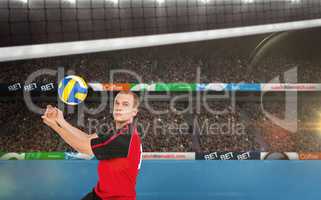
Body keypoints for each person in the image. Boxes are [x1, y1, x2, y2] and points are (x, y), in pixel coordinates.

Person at [42, 91, 142, 200]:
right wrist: (60, 121)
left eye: (125, 104)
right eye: (117, 103)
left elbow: (85, 147)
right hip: (100, 194)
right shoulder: (114, 130)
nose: (119, 107)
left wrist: (54, 126)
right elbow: (87, 138)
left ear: (134, 112)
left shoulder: (126, 136)